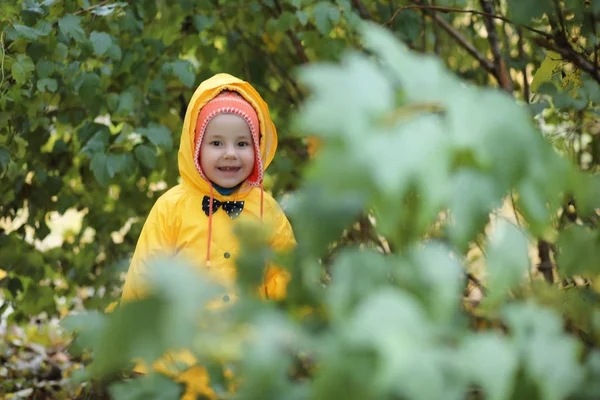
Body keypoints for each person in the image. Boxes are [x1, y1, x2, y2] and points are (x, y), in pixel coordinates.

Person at [120, 73, 296, 399]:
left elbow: (285, 273)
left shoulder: (267, 212)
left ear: (257, 149)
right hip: (180, 360)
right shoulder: (171, 208)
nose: (230, 154)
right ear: (196, 147)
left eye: (242, 144)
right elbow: (146, 274)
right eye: (216, 143)